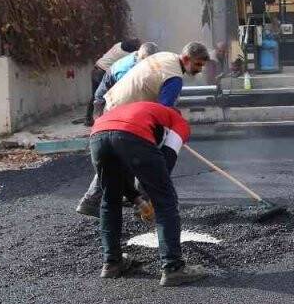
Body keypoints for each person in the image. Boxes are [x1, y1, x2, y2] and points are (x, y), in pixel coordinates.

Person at [75, 42, 210, 216]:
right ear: (185, 58)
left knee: (122, 156)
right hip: (125, 115)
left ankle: (133, 199)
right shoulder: (174, 77)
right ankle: (141, 200)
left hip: (116, 106)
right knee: (144, 153)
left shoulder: (165, 56)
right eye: (197, 64)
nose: (199, 69)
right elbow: (163, 112)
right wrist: (175, 132)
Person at [89, 101, 207, 286]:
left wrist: (139, 200)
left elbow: (121, 178)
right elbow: (166, 161)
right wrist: (151, 198)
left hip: (98, 135)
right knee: (165, 200)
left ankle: (112, 263)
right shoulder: (179, 122)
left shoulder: (144, 111)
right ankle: (173, 268)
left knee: (110, 198)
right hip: (131, 134)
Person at [91, 42, 160, 118]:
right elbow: (124, 95)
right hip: (108, 87)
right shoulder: (128, 70)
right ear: (143, 57)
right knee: (103, 114)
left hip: (108, 76)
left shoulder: (137, 54)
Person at [85, 39, 142, 125]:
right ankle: (106, 120)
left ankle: (88, 119)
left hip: (96, 69)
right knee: (109, 97)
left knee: (95, 96)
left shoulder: (118, 45)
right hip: (103, 73)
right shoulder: (128, 55)